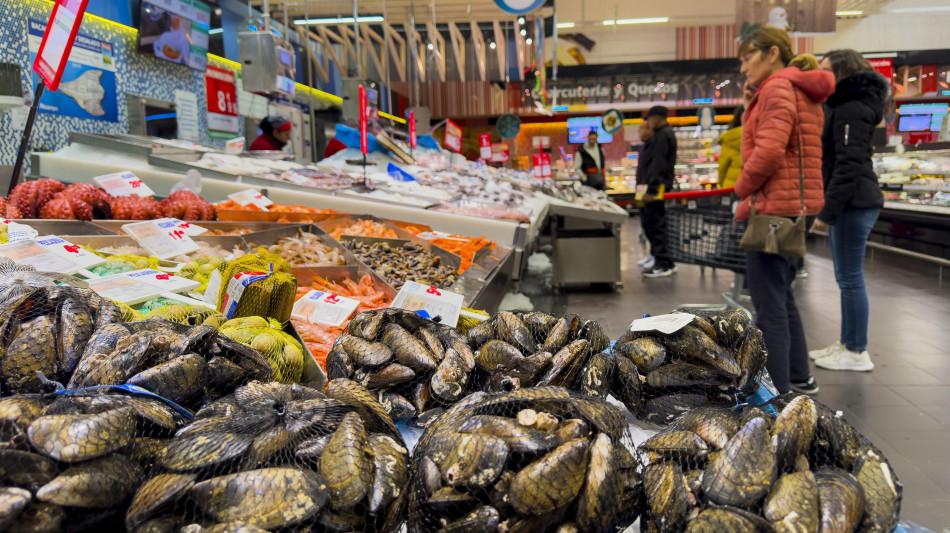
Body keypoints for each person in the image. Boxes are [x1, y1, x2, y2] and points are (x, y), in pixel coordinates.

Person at [734, 27, 835, 395]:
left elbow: (770, 151)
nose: (744, 68)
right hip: (794, 208)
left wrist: (741, 188)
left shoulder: (777, 87)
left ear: (772, 52)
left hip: (772, 211)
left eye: (748, 58)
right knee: (782, 296)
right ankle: (800, 376)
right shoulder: (799, 89)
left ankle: (775, 392)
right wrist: (750, 107)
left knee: (768, 304)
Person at [808, 50, 888, 372]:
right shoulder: (848, 104)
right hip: (853, 202)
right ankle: (847, 342)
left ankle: (857, 351)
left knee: (851, 278)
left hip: (854, 203)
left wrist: (828, 212)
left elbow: (848, 165)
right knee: (846, 278)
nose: (821, 75)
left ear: (842, 73)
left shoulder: (850, 108)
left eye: (826, 70)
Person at [639, 105, 678, 278]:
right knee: (655, 225)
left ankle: (662, 264)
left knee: (655, 225)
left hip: (656, 189)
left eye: (649, 118)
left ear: (657, 117)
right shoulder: (664, 134)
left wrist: (652, 189)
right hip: (657, 187)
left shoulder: (662, 136)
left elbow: (659, 165)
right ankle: (665, 262)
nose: (648, 122)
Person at [636, 121, 656, 269]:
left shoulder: (654, 146)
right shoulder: (644, 147)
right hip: (641, 190)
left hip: (649, 192)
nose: (640, 131)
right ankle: (651, 254)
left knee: (652, 224)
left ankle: (656, 255)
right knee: (645, 224)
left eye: (643, 128)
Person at [717, 105, 744, 189]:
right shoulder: (760, 136)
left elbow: (722, 169)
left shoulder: (729, 138)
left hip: (731, 189)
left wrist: (721, 186)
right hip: (752, 189)